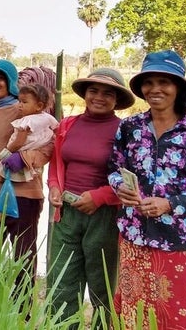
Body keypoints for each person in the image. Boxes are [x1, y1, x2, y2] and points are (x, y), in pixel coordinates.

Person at [108, 50, 186, 329]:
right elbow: (114, 168)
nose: (155, 89)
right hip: (134, 240)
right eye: (149, 82)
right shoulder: (130, 128)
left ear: (179, 88)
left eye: (164, 82)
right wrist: (121, 188)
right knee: (133, 320)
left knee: (179, 320)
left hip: (179, 244)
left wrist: (171, 203)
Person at [47, 68, 135, 329]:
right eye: (93, 91)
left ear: (117, 100)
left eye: (108, 93)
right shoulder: (68, 125)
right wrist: (53, 187)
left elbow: (131, 177)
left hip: (105, 216)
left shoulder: (125, 131)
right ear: (85, 93)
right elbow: (56, 163)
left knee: (102, 283)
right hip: (66, 212)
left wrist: (100, 197)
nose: (99, 97)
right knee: (62, 280)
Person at [0, 59, 52, 291]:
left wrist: (24, 159)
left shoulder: (25, 107)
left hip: (24, 195)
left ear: (10, 81)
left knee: (23, 258)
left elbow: (50, 144)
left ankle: (21, 316)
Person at [0, 83, 58, 183]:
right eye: (19, 101)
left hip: (20, 152)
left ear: (39, 106)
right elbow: (57, 130)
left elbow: (19, 142)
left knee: (1, 170)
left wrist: (6, 152)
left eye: (24, 102)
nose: (20, 105)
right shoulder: (48, 117)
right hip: (36, 153)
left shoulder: (26, 121)